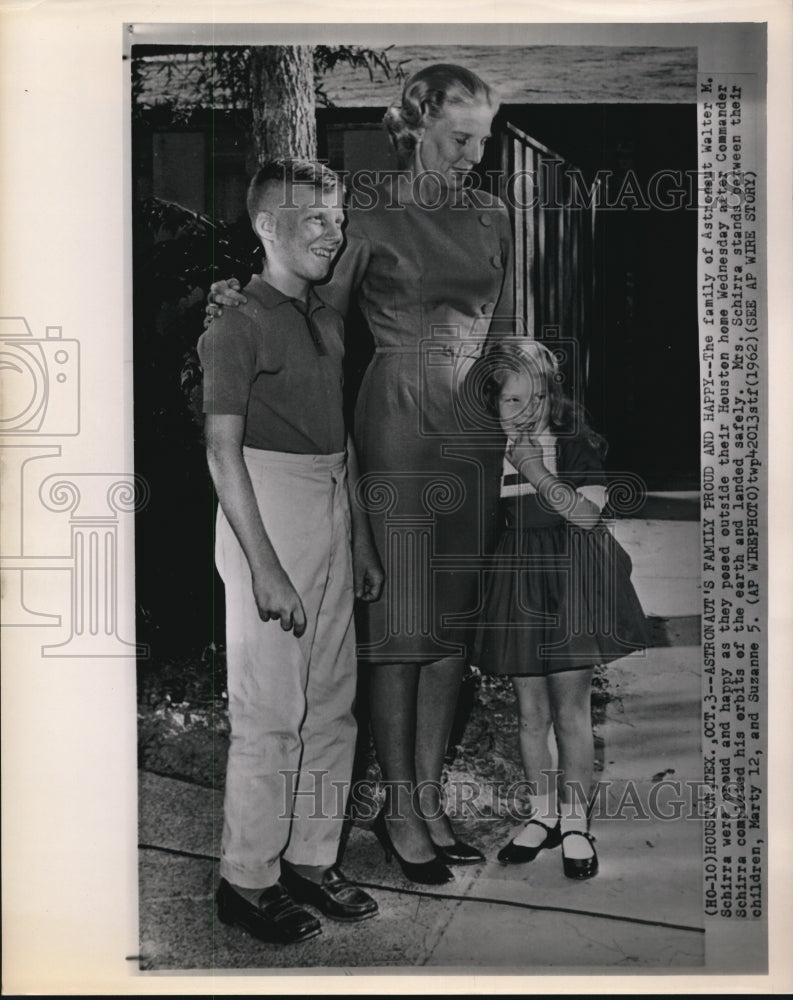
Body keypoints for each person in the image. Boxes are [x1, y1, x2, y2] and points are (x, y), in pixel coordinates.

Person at [207, 64, 514, 883]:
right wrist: (233, 314)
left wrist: (524, 423)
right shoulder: (368, 213)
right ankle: (401, 809)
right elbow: (318, 327)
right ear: (413, 125)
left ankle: (426, 801)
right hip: (396, 429)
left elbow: (505, 333)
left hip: (471, 434)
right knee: (398, 629)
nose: (474, 156)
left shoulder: (491, 212)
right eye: (459, 138)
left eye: (483, 139)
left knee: (449, 629)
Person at [198, 158, 384, 946]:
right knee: (271, 709)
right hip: (264, 512)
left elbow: (338, 438)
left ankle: (309, 854)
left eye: (339, 221)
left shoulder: (327, 319)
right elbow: (220, 451)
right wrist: (265, 567)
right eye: (316, 221)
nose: (334, 236)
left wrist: (361, 538)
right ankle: (246, 878)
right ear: (267, 226)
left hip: (329, 505)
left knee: (332, 701)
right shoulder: (235, 323)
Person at [472, 339, 652, 878]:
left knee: (571, 713)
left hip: (572, 580)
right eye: (510, 402)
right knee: (530, 715)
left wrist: (534, 468)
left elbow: (586, 517)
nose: (523, 412)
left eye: (535, 398)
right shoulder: (489, 450)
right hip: (521, 585)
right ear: (493, 405)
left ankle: (575, 823)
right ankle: (542, 814)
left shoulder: (572, 443)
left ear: (553, 399)